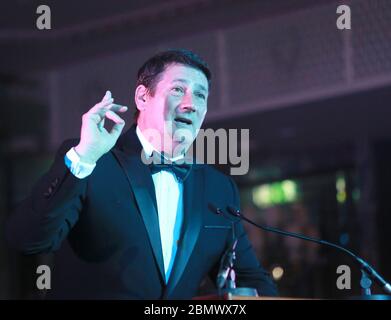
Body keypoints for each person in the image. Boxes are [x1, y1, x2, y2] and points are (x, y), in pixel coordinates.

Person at [5, 49, 277, 299]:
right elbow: (28, 239)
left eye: (200, 95)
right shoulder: (93, 161)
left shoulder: (218, 188)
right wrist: (84, 158)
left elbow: (250, 278)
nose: (190, 103)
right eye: (178, 89)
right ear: (142, 97)